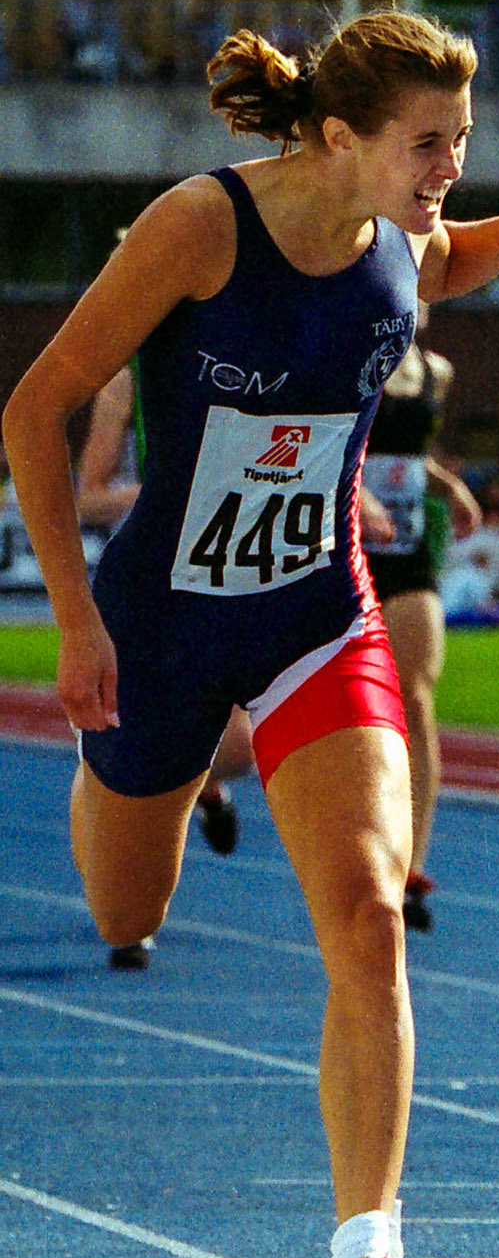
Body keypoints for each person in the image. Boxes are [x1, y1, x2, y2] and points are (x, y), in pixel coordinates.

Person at [2, 9, 499, 1258]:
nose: (449, 164)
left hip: (317, 613)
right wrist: (76, 614)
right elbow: (34, 410)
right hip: (160, 624)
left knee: (367, 915)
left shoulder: (399, 229)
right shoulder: (199, 229)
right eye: (427, 142)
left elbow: (439, 265)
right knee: (124, 902)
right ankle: (113, 784)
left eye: (463, 140)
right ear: (338, 139)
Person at [76, 360, 255, 970]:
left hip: (231, 579)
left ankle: (205, 785)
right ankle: (129, 918)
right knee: (127, 754)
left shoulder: (246, 350)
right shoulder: (126, 377)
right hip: (146, 591)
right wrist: (161, 491)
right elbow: (90, 497)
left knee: (238, 746)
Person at [360, 321, 481, 933]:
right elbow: (321, 439)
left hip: (407, 547)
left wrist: (450, 487)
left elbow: (410, 455)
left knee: (416, 698)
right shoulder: (346, 346)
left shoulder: (438, 370)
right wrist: (357, 495)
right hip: (338, 542)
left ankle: (410, 863)